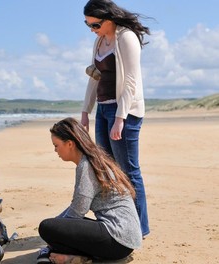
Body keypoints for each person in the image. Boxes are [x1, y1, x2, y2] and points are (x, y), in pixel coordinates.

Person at [80, 0, 150, 237]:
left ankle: (140, 228)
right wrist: (85, 112)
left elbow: (131, 80)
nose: (92, 29)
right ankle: (120, 223)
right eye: (88, 25)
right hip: (103, 109)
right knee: (108, 170)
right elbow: (94, 76)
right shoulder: (99, 41)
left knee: (129, 171)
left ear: (108, 19)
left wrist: (120, 118)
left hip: (126, 113)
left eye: (96, 24)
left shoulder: (126, 37)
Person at [37, 118, 142, 263]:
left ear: (70, 144)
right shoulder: (92, 160)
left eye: (56, 145)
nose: (55, 150)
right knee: (54, 228)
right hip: (125, 239)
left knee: (46, 228)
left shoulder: (86, 166)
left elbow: (77, 212)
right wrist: (58, 226)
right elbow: (76, 207)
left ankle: (79, 256)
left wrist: (54, 231)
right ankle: (78, 257)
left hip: (118, 239)